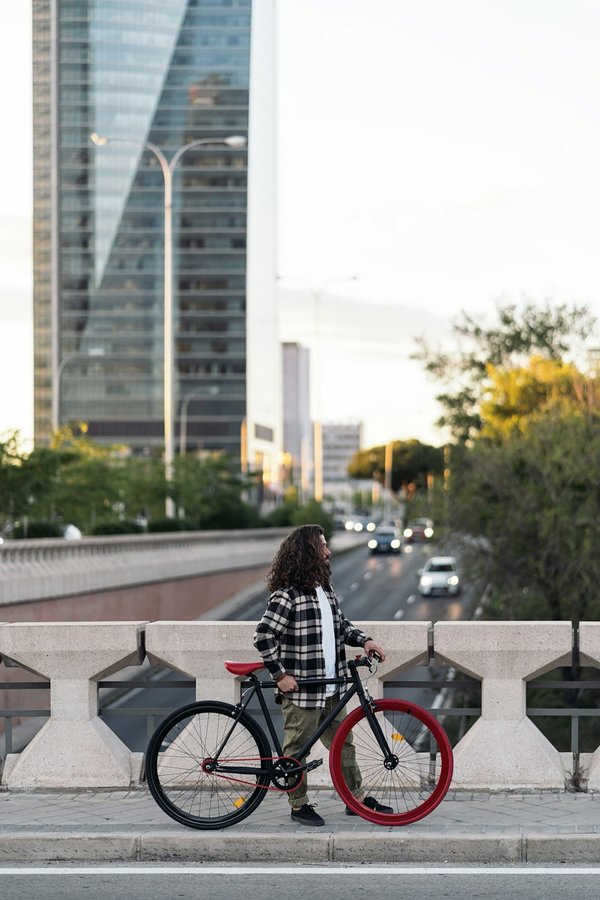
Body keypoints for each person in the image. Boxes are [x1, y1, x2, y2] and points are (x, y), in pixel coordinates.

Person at [254, 523, 392, 826]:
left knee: (344, 743)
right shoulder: (286, 596)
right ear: (308, 553)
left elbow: (341, 626)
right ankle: (298, 804)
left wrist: (365, 640)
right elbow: (263, 636)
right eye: (323, 546)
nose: (329, 551)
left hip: (331, 684)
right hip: (301, 689)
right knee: (296, 750)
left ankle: (355, 798)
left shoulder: (325, 591)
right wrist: (279, 675)